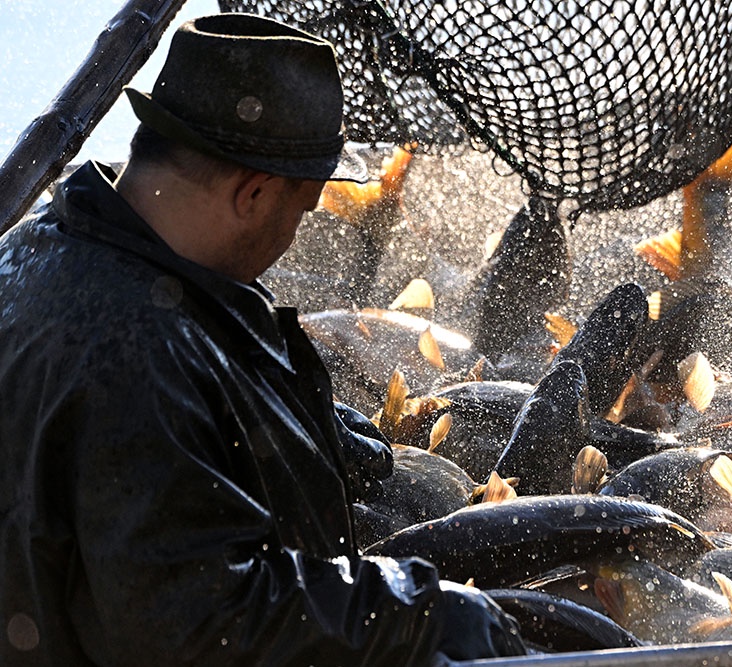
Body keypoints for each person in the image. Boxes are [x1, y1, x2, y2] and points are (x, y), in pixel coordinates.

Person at [0, 13, 524, 666]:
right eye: (301, 211)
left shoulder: (50, 242)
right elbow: (203, 621)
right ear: (252, 192)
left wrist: (293, 429)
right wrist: (421, 610)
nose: (292, 237)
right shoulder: (136, 354)